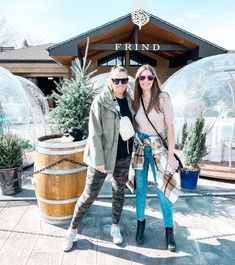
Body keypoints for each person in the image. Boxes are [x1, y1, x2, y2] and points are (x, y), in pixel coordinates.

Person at [63, 66, 134, 251]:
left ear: (127, 82)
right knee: (89, 195)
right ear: (110, 81)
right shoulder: (100, 101)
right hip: (101, 158)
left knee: (119, 192)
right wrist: (99, 160)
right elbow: (94, 134)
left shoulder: (130, 99)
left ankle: (115, 227)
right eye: (116, 80)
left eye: (124, 80)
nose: (120, 84)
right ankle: (71, 230)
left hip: (123, 156)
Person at [132, 64, 180, 252]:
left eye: (149, 77)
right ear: (137, 80)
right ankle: (140, 224)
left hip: (159, 149)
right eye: (142, 78)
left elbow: (170, 128)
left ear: (154, 79)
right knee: (141, 189)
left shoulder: (162, 98)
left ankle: (169, 230)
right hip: (140, 147)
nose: (146, 81)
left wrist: (170, 156)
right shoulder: (135, 99)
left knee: (163, 190)